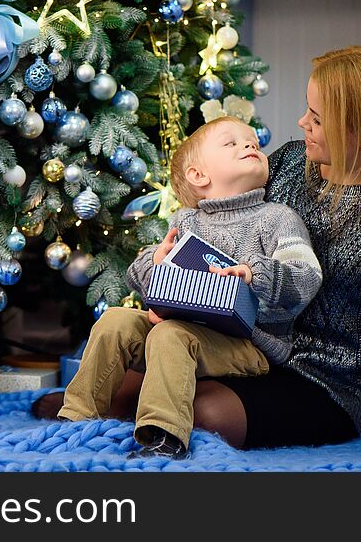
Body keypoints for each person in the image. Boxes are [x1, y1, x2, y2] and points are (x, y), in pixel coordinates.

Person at [35, 45, 361, 452]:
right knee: (123, 383)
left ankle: (145, 407)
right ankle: (109, 406)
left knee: (208, 416)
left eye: (317, 118)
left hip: (327, 383)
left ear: (360, 132)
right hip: (241, 345)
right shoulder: (284, 164)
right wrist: (172, 287)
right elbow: (216, 230)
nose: (301, 122)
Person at [50, 116, 323, 458]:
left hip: (249, 343)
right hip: (182, 326)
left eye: (254, 141)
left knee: (171, 335)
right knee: (115, 321)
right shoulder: (185, 221)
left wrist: (255, 274)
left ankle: (163, 435)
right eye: (232, 143)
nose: (250, 145)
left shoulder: (277, 218)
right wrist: (157, 264)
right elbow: (139, 277)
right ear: (198, 175)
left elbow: (307, 277)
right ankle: (76, 420)